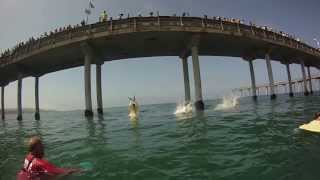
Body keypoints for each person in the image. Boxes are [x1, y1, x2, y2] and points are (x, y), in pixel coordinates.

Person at [17, 136, 81, 180]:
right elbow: (57, 171)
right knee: (59, 175)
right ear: (36, 149)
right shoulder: (40, 162)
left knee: (44, 175)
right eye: (41, 148)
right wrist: (73, 170)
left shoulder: (27, 157)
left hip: (25, 177)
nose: (43, 150)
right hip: (33, 177)